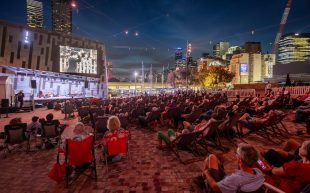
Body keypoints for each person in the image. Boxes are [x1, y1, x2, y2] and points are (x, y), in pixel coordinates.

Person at [198, 143, 264, 193]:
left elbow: (214, 187)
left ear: (240, 160)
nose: (236, 155)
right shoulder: (258, 172)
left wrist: (207, 173)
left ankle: (203, 178)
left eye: (236, 154)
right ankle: (203, 177)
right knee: (211, 158)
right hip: (228, 183)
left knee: (210, 159)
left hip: (218, 189)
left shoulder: (235, 179)